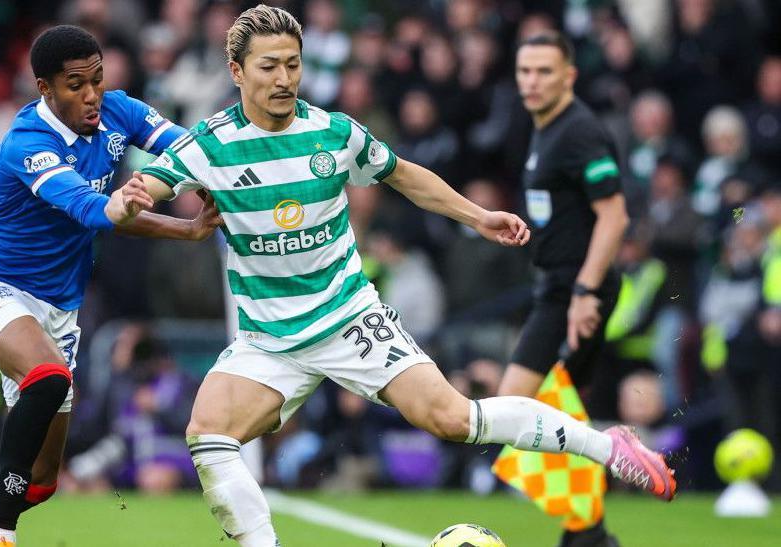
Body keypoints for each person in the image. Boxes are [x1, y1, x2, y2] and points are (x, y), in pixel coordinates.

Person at [137, 6, 675, 546]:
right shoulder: (209, 144)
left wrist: (478, 217)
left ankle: (610, 447)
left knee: (454, 419)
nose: (284, 78)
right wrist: (134, 209)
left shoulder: (333, 133)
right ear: (236, 71)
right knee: (208, 434)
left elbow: (404, 176)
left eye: (293, 65)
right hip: (269, 340)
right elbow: (138, 197)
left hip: (347, 318)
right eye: (268, 66)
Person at [0, 25, 222, 547]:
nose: (91, 95)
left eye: (97, 80)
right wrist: (124, 203)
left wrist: (193, 224)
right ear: (45, 88)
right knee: (48, 377)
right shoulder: (27, 142)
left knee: (40, 482)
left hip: (58, 306)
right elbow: (88, 208)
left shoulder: (120, 111)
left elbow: (189, 152)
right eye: (75, 84)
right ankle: (1, 536)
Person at [496, 32, 632, 547]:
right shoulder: (546, 129)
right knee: (552, 410)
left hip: (575, 292)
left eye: (544, 71)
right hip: (555, 287)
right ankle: (586, 530)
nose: (531, 81)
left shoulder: (579, 132)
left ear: (569, 76)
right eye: (524, 71)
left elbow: (614, 217)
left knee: (516, 405)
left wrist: (585, 293)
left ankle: (590, 526)